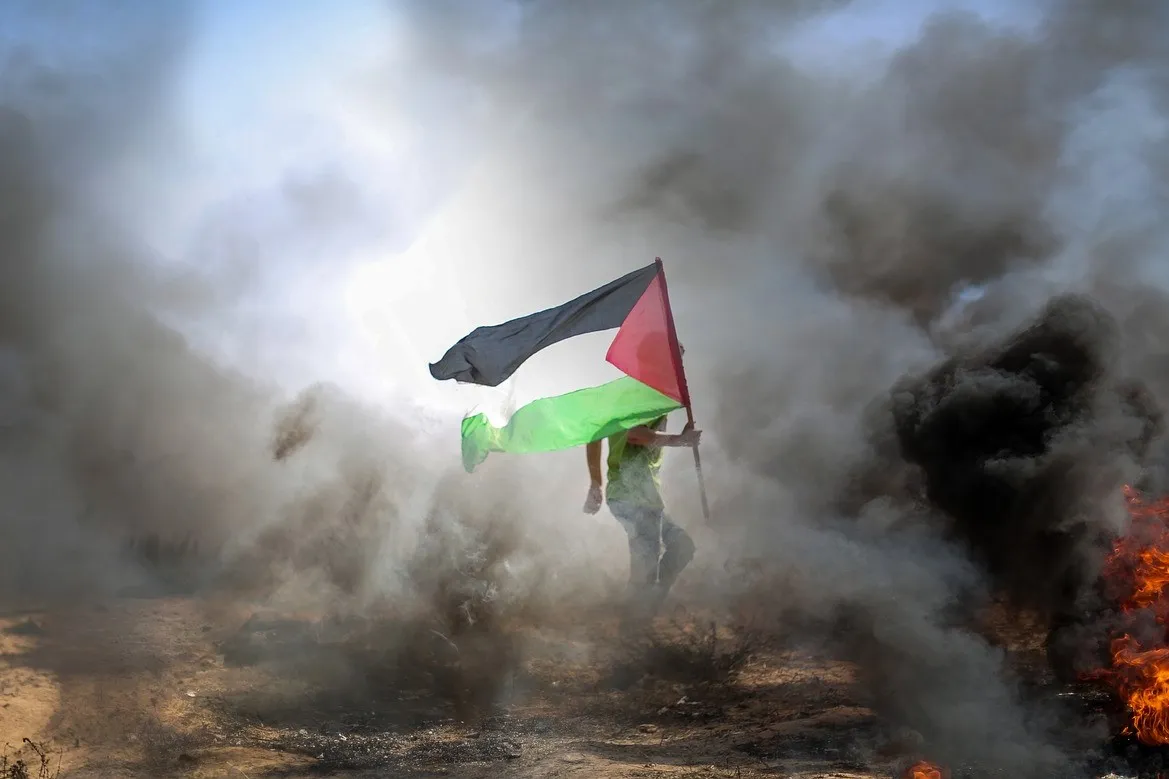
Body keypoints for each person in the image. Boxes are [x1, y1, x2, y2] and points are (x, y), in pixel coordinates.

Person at [583, 403, 700, 634]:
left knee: (682, 547)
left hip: (646, 499)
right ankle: (633, 632)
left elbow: (596, 434)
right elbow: (635, 434)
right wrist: (679, 440)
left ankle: (642, 615)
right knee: (646, 571)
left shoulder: (643, 399)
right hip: (632, 497)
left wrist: (596, 482)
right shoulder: (644, 399)